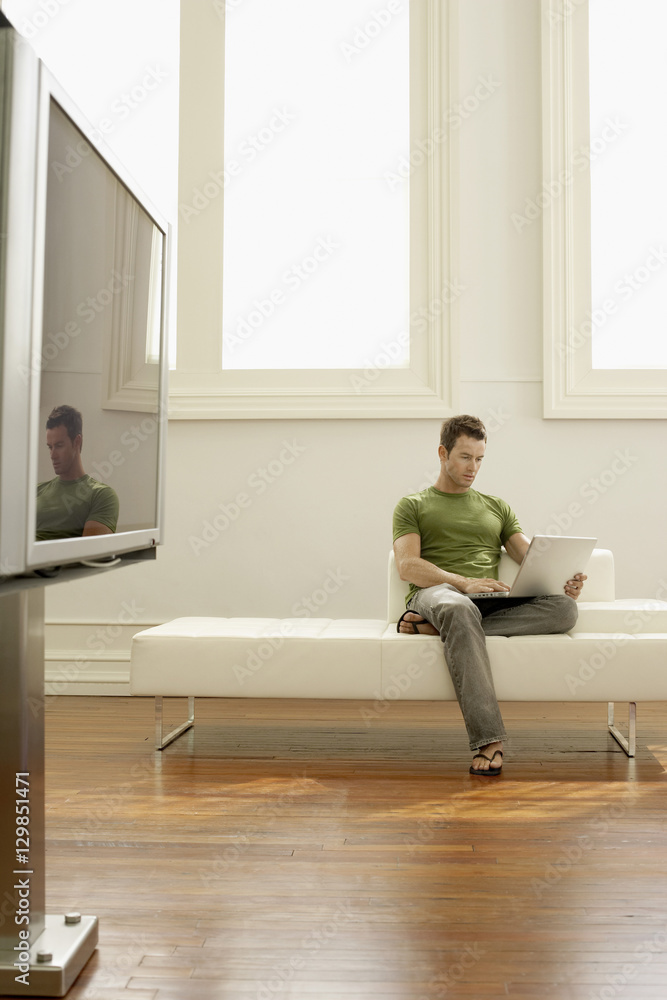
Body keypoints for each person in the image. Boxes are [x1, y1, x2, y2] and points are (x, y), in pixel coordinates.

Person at [392, 414, 586, 776]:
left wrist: (564, 581)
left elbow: (531, 559)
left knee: (564, 610)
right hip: (438, 594)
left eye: (480, 459)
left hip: (481, 604)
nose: (473, 468)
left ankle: (440, 629)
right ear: (442, 452)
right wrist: (463, 582)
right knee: (458, 608)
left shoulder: (496, 506)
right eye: (465, 457)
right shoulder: (413, 504)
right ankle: (489, 740)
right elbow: (408, 566)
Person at [36, 405, 119, 541]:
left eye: (59, 446)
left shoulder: (101, 495)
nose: (52, 455)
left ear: (77, 442)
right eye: (50, 447)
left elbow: (91, 554)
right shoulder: (37, 491)